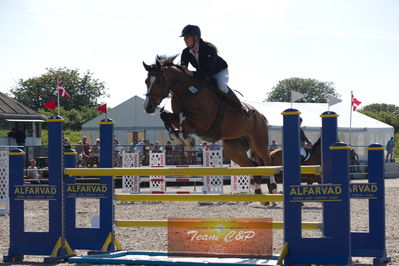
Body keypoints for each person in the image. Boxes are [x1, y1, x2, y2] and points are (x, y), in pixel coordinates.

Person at [179, 24, 247, 116]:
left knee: (221, 86)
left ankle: (240, 107)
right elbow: (183, 70)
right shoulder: (185, 52)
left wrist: (191, 73)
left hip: (219, 71)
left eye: (187, 37)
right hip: (203, 73)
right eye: (184, 38)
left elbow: (208, 73)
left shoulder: (209, 49)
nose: (185, 40)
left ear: (196, 37)